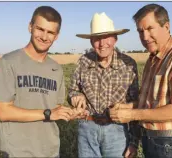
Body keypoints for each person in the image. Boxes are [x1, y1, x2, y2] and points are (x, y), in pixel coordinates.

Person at [110, 3, 172, 158]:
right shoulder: (153, 60)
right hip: (154, 140)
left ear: (166, 27)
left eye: (150, 28)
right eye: (140, 31)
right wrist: (127, 107)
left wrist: (132, 115)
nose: (145, 37)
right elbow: (151, 103)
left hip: (170, 143)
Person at [0, 6, 84, 157]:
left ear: (57, 36)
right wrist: (48, 114)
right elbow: (3, 111)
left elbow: (55, 108)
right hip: (17, 152)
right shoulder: (8, 62)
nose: (44, 36)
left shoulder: (56, 69)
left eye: (50, 32)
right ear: (30, 27)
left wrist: (70, 113)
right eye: (40, 29)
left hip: (50, 151)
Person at [68, 12, 139, 158]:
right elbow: (72, 91)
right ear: (91, 41)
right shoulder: (83, 62)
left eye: (106, 37)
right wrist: (76, 97)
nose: (102, 44)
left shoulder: (128, 64)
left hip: (117, 130)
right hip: (87, 129)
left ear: (115, 39)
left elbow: (136, 104)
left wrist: (134, 142)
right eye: (97, 39)